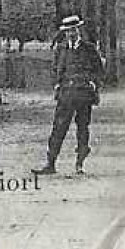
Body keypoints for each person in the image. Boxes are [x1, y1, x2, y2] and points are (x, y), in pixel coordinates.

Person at [36, 14, 105, 175]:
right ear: (65, 33)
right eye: (68, 31)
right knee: (58, 128)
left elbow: (99, 71)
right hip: (66, 94)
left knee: (82, 128)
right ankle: (50, 163)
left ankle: (80, 163)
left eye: (73, 30)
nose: (71, 33)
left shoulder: (89, 49)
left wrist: (93, 84)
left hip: (83, 94)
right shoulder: (61, 49)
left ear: (78, 30)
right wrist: (56, 84)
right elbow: (55, 69)